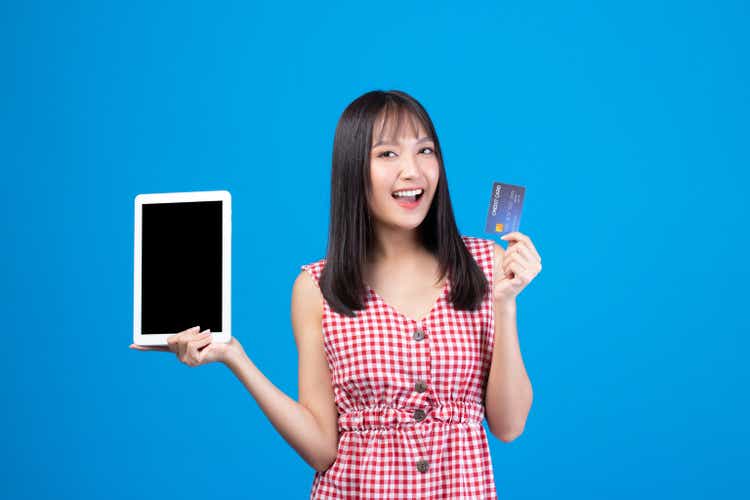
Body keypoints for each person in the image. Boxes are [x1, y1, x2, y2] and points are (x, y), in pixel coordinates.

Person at [130, 89, 541, 499]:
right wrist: (235, 357)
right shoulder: (316, 288)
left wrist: (504, 304)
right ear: (352, 170)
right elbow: (322, 450)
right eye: (387, 154)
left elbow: (509, 425)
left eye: (425, 150)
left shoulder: (486, 263)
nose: (412, 171)